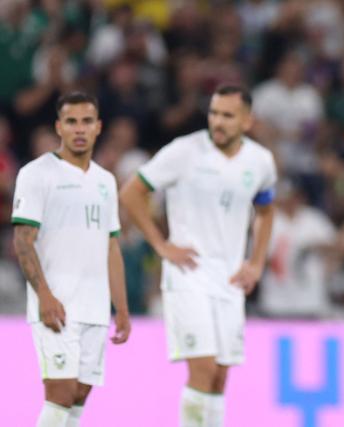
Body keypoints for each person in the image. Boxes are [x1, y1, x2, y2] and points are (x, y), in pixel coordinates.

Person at [119, 84, 276, 427]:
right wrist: (162, 245)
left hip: (231, 277)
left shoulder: (260, 161)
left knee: (220, 375)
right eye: (214, 113)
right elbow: (132, 192)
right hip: (188, 273)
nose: (217, 122)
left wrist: (257, 261)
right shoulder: (184, 151)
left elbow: (265, 211)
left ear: (247, 121)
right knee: (203, 368)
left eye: (227, 115)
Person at [11, 91, 131, 427]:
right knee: (60, 393)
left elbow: (112, 246)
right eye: (71, 122)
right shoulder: (37, 174)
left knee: (78, 395)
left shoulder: (106, 181)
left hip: (94, 306)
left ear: (98, 127)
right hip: (57, 303)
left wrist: (120, 308)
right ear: (58, 127)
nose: (79, 129)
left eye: (87, 121)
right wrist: (44, 296)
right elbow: (23, 241)